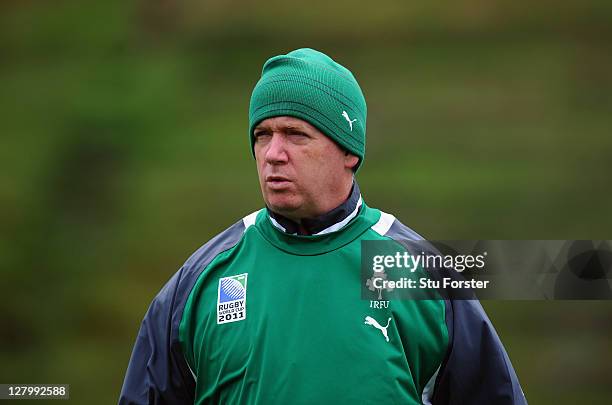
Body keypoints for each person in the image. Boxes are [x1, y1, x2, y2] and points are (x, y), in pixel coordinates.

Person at [119, 48, 528, 404]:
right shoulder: (202, 279)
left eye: (296, 134)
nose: (273, 154)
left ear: (348, 150)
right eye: (263, 135)